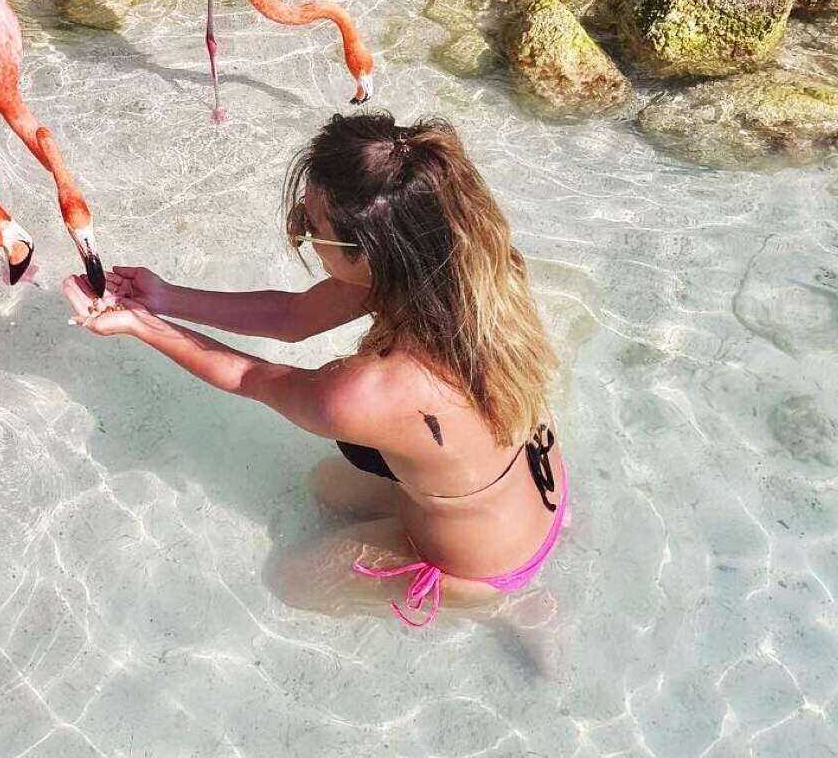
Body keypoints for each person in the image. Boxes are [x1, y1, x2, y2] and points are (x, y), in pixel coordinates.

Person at [62, 111, 565, 627]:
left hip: (483, 565)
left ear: (366, 253)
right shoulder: (469, 267)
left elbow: (250, 377)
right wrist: (165, 297)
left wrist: (141, 326)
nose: (301, 233)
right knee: (324, 486)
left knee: (292, 582)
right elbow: (291, 317)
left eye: (308, 226)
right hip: (539, 484)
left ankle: (508, 610)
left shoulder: (370, 392)